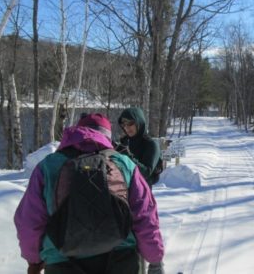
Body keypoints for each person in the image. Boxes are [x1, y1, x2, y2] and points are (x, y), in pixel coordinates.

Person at [14, 113, 165, 274]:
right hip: (121, 260)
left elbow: (29, 221)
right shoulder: (123, 164)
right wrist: (155, 259)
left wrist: (34, 260)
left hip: (62, 262)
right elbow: (145, 216)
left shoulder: (47, 166)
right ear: (107, 136)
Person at [116, 107, 161, 187]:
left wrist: (127, 156)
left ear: (139, 122)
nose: (126, 127)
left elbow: (146, 173)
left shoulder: (151, 144)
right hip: (121, 192)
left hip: (141, 194)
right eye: (123, 124)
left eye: (130, 123)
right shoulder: (124, 142)